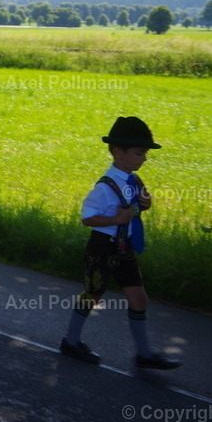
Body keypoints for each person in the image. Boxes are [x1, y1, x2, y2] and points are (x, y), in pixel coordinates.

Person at [60, 117, 181, 369]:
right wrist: (117, 218)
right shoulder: (105, 186)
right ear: (118, 151)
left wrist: (145, 205)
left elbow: (134, 208)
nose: (144, 158)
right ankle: (70, 341)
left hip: (124, 247)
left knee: (139, 298)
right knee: (93, 294)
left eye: (145, 153)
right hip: (102, 246)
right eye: (139, 153)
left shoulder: (134, 181)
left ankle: (144, 354)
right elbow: (87, 218)